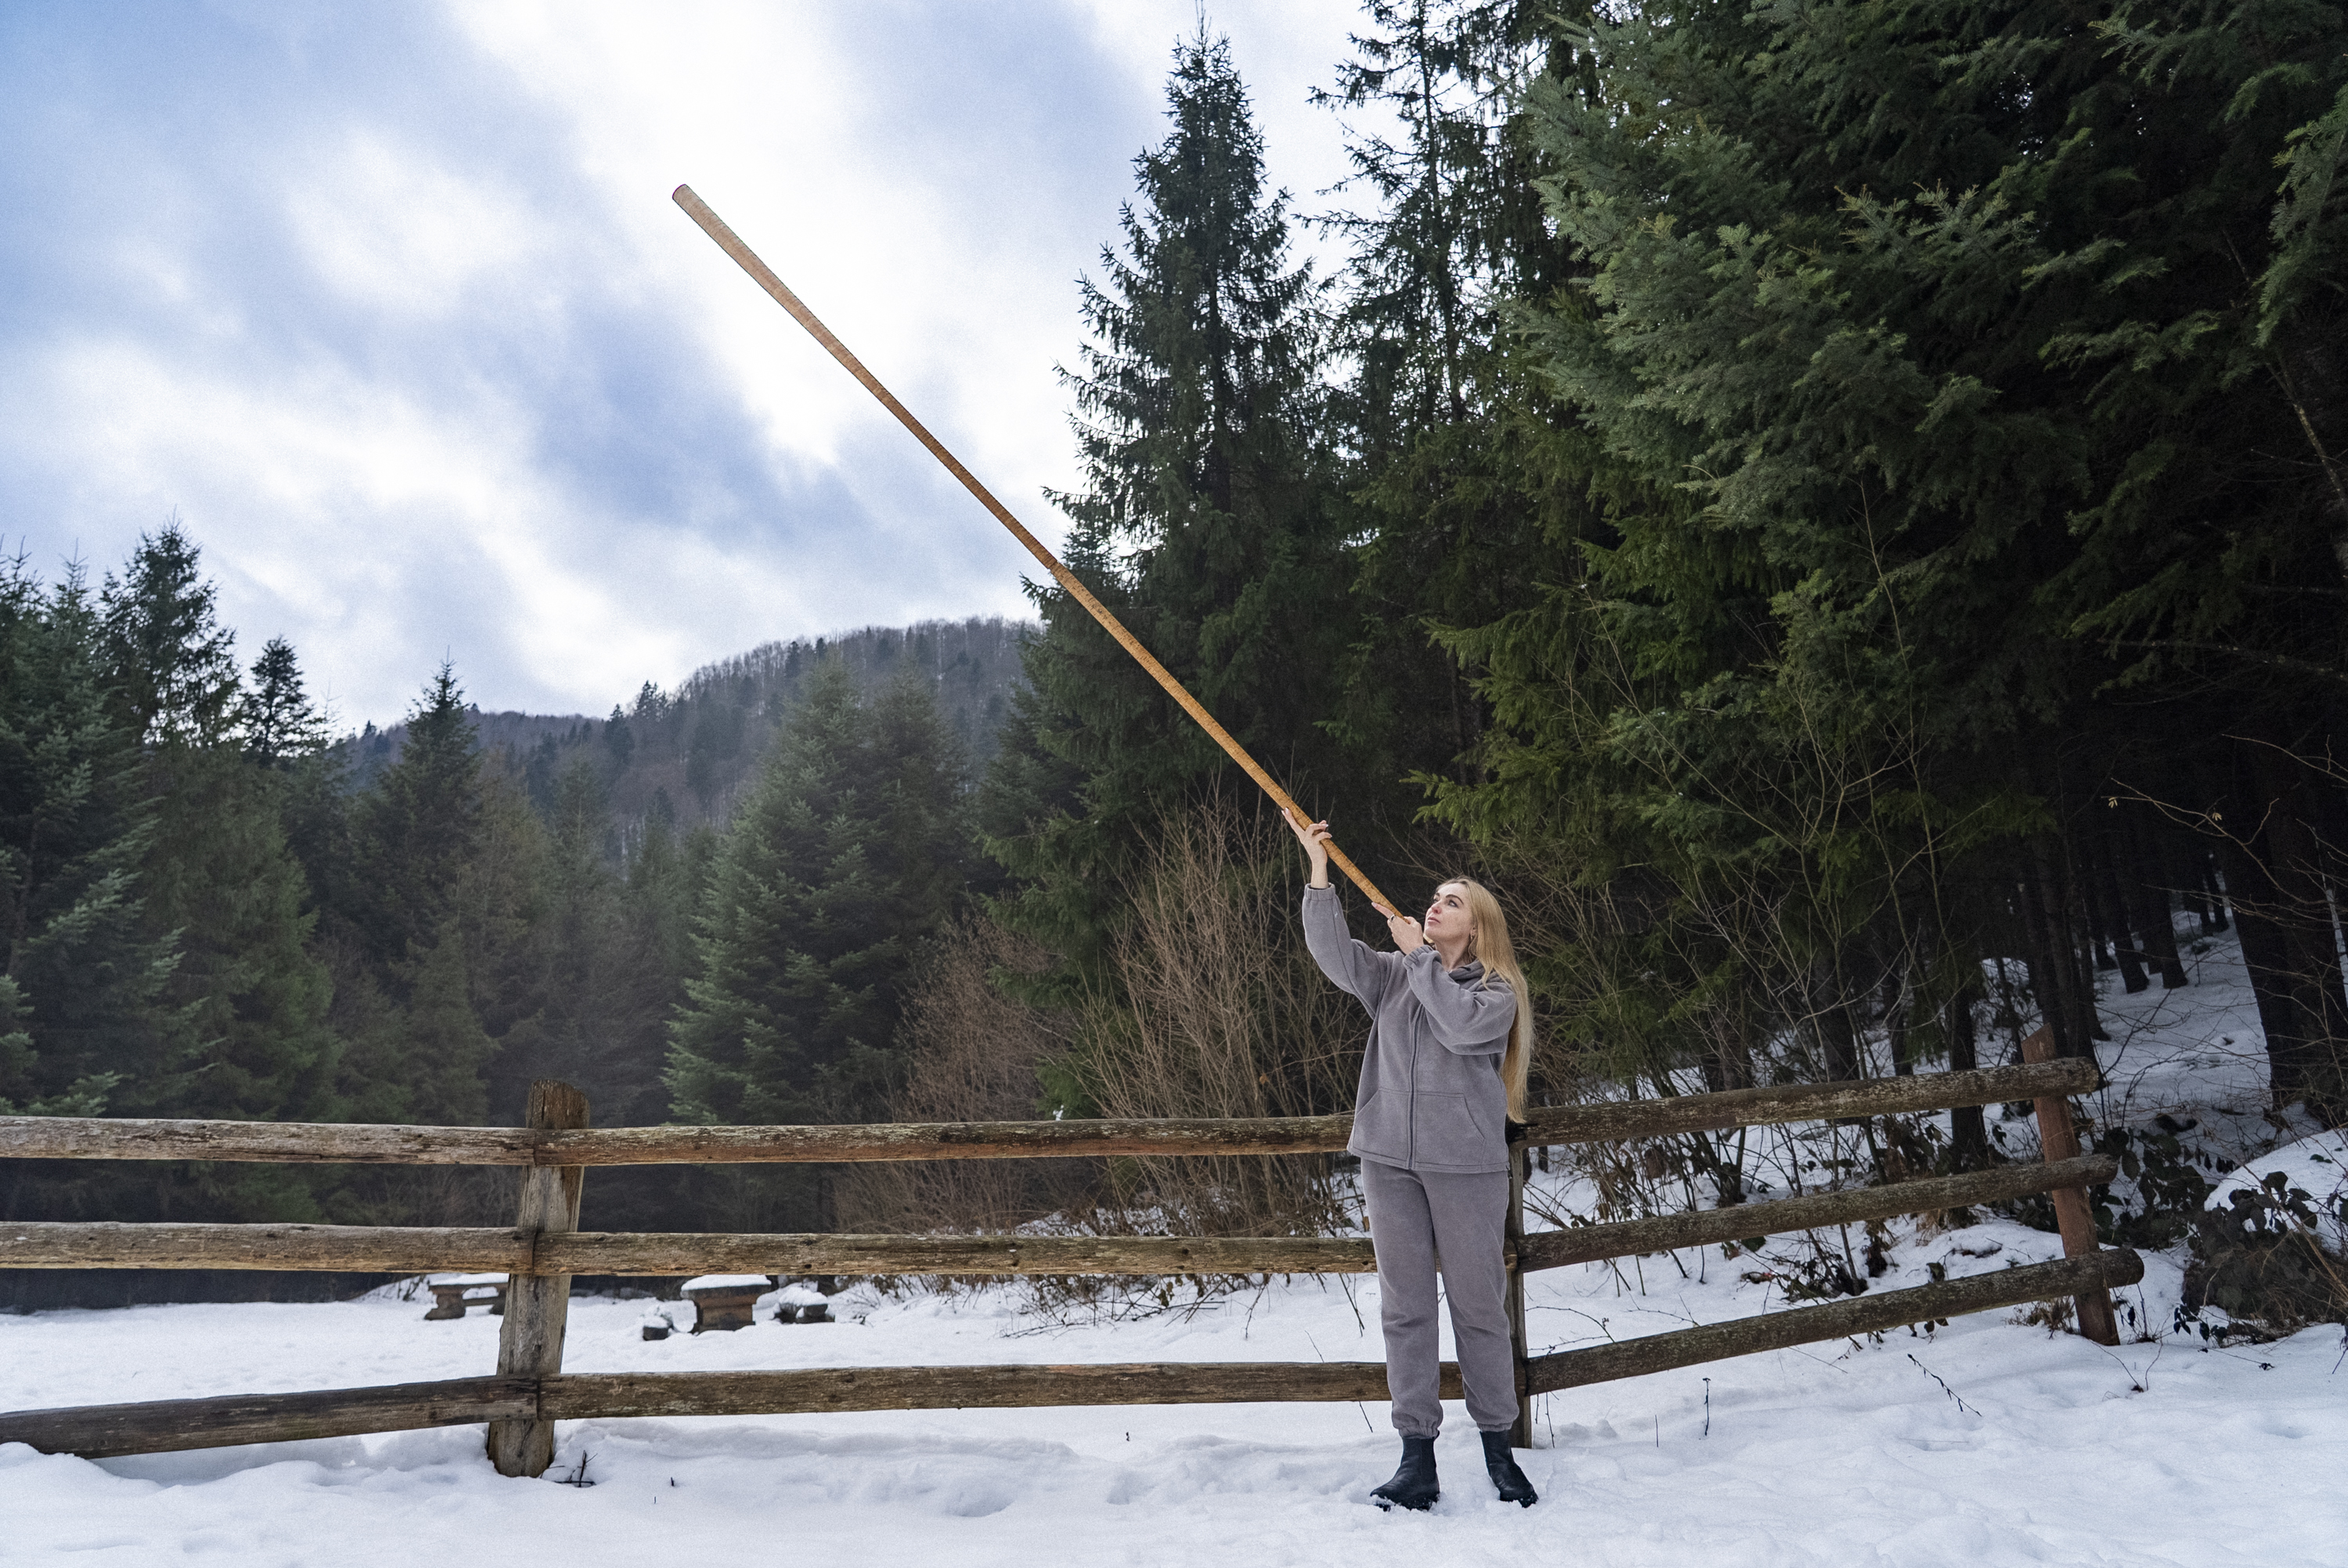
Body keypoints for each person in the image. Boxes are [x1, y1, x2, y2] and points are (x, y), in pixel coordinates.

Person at [1283, 808, 1539, 1512]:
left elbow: (1457, 1029)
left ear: (1476, 927)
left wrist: (1420, 958)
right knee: (1405, 1310)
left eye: (1452, 902)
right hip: (1389, 1159)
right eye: (1434, 898)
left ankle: (1499, 1449)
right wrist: (1319, 874)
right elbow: (1334, 957)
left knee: (1478, 1308)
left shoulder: (1495, 992)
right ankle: (1416, 1458)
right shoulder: (1396, 975)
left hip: (1466, 1166)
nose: (1435, 906)